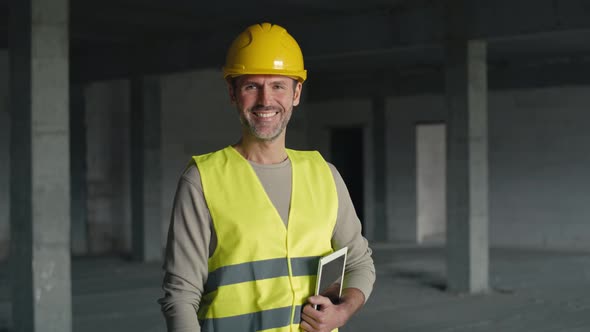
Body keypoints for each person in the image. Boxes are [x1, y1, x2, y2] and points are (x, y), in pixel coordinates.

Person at [158, 22, 376, 332]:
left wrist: (342, 312)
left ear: (296, 93)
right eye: (251, 86)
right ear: (233, 93)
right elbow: (180, 296)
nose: (265, 100)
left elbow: (359, 264)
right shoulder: (202, 180)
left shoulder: (325, 175)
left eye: (277, 85)